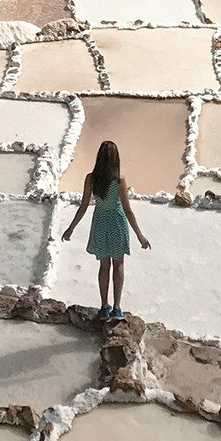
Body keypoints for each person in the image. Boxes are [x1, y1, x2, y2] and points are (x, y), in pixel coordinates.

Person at [61, 138, 151, 322]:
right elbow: (127, 209)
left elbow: (84, 206)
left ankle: (104, 306)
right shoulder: (119, 180)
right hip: (117, 222)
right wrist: (139, 235)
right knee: (118, 265)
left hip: (100, 221)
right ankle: (117, 308)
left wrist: (70, 229)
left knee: (104, 266)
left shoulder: (91, 179)